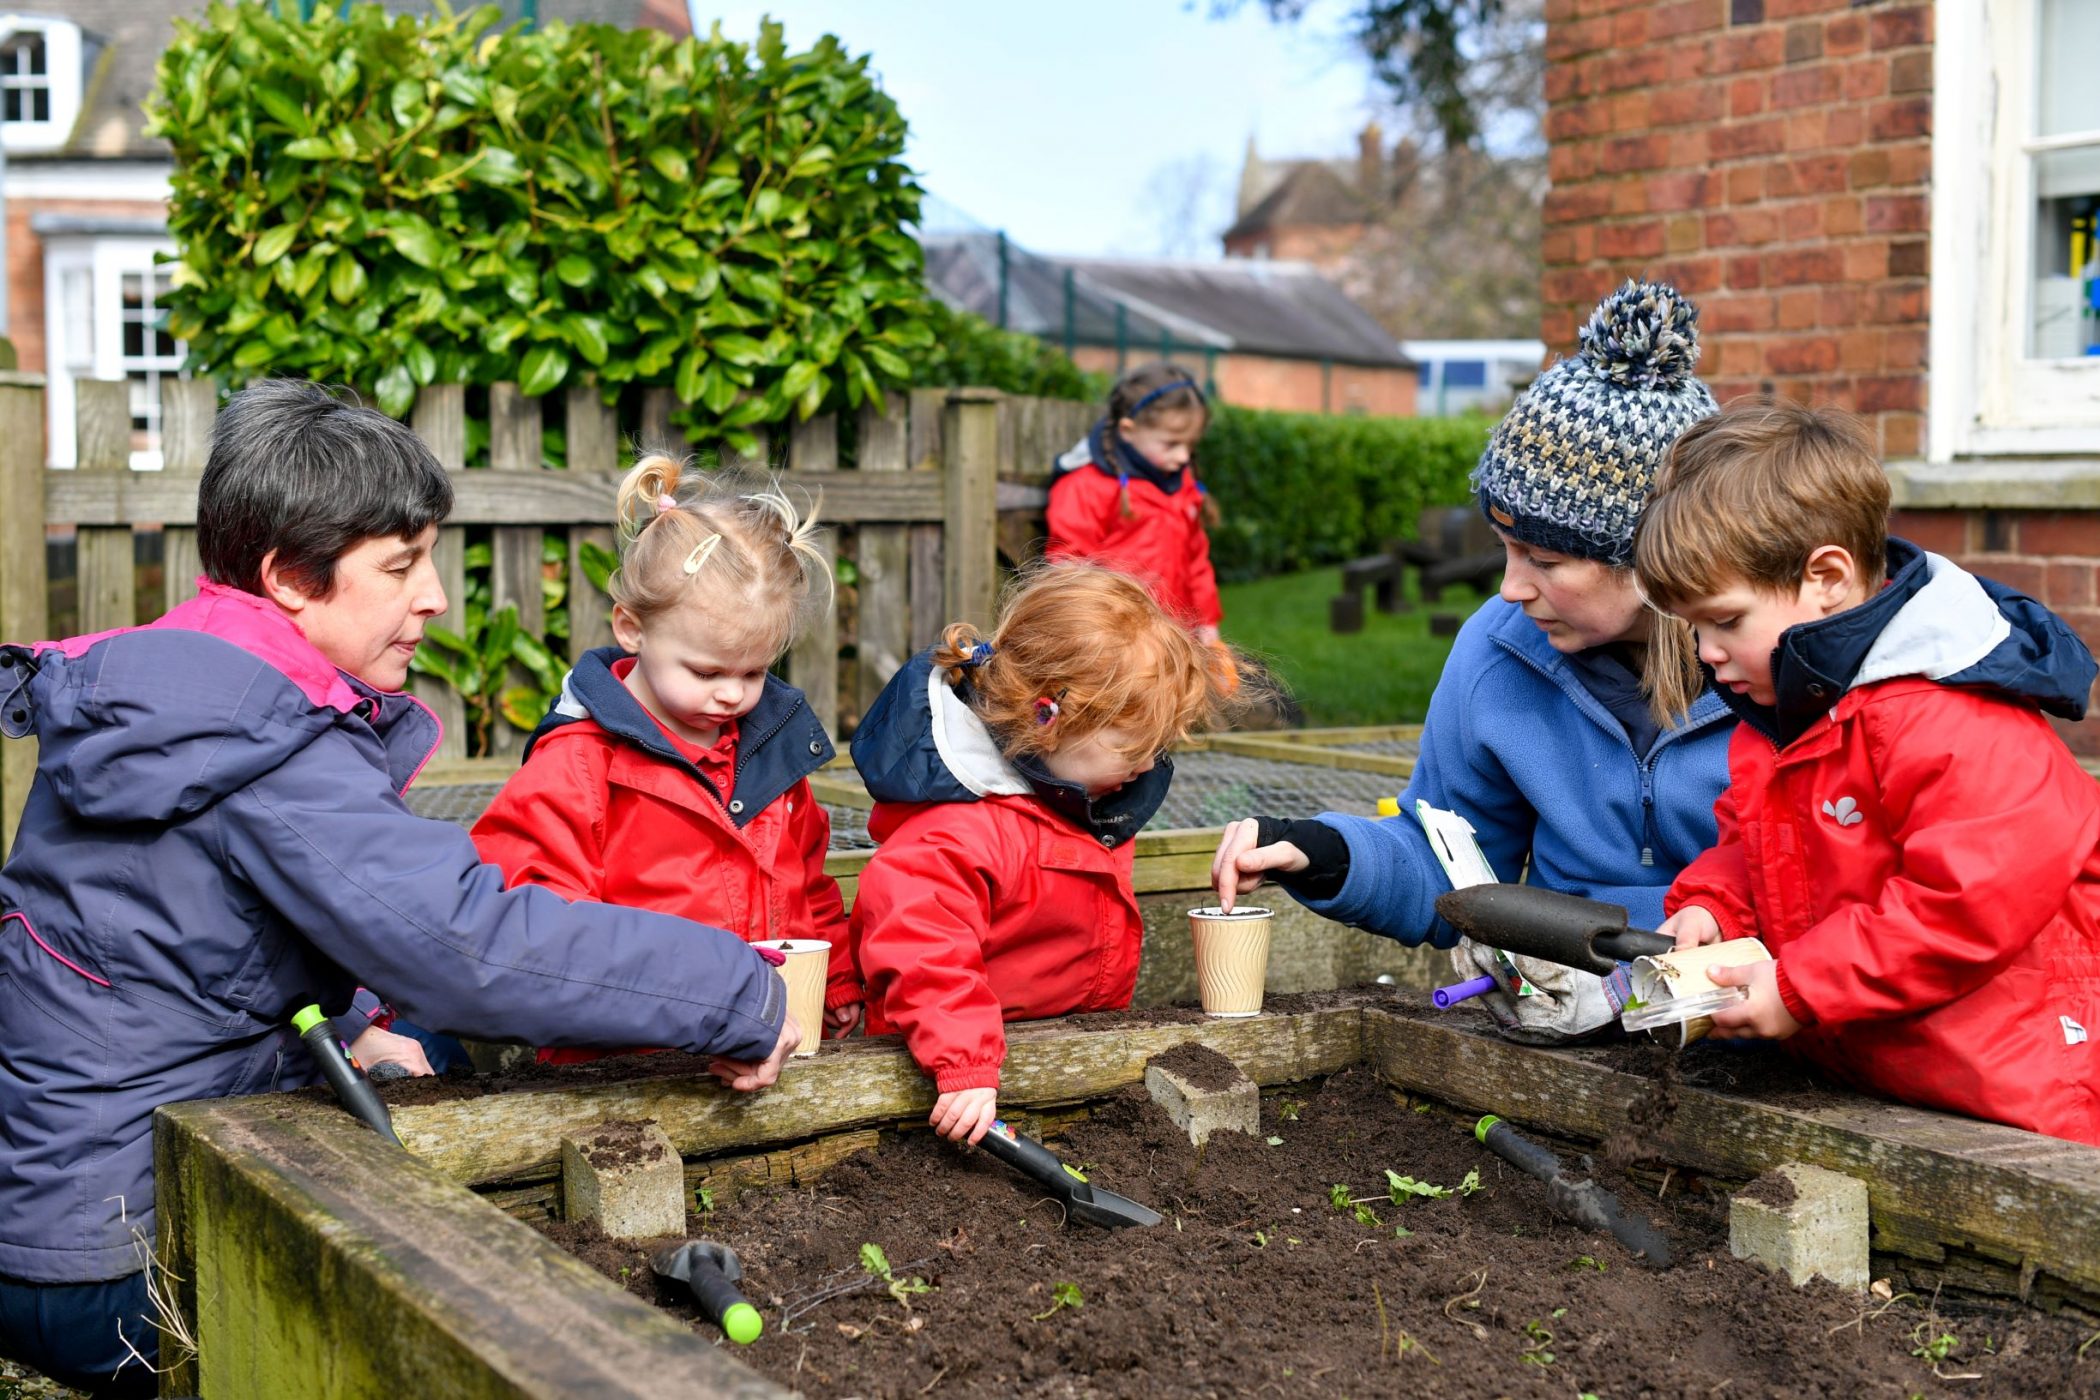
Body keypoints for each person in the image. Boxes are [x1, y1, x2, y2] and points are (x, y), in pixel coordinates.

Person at [0, 381, 797, 1394]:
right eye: (402, 564)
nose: (434, 597)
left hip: (47, 1211)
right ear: (290, 577)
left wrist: (359, 1018)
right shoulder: (265, 741)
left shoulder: (182, 687)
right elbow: (464, 946)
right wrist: (735, 989)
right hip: (127, 1261)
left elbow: (189, 934)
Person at [1209, 280, 1734, 1043]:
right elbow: (1452, 862)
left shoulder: (1773, 676)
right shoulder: (1499, 648)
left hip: (1751, 1031)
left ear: (1655, 558)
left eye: (1544, 559)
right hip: (1564, 1026)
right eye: (1505, 548)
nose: (1511, 588)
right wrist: (1324, 853)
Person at [1634, 401, 2100, 1144]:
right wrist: (1715, 907)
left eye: (1725, 621)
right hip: (1892, 1079)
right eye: (1694, 627)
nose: (1705, 651)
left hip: (2022, 1090)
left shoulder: (1946, 715)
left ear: (1827, 577)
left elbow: (1965, 904)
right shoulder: (1783, 711)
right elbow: (1757, 846)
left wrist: (1801, 985)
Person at [471, 455, 862, 1060]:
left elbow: (807, 882)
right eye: (706, 672)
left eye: (754, 672)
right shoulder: (579, 763)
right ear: (631, 628)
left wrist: (834, 981)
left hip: (763, 1043)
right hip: (621, 1061)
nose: (732, 694)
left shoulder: (770, 751)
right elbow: (537, 917)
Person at [850, 564, 1225, 1145]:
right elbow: (923, 947)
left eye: (1158, 746)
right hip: (948, 1092)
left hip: (1049, 1067)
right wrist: (964, 1063)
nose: (1148, 764)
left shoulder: (1085, 799)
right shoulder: (959, 830)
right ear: (1046, 719)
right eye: (1133, 746)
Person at [1047, 361, 1222, 644]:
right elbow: (1068, 567)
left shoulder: (1182, 484)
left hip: (1177, 636)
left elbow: (1196, 561)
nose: (1183, 457)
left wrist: (1207, 621)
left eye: (1190, 445)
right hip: (1116, 640)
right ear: (1128, 430)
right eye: (1172, 444)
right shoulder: (1086, 485)